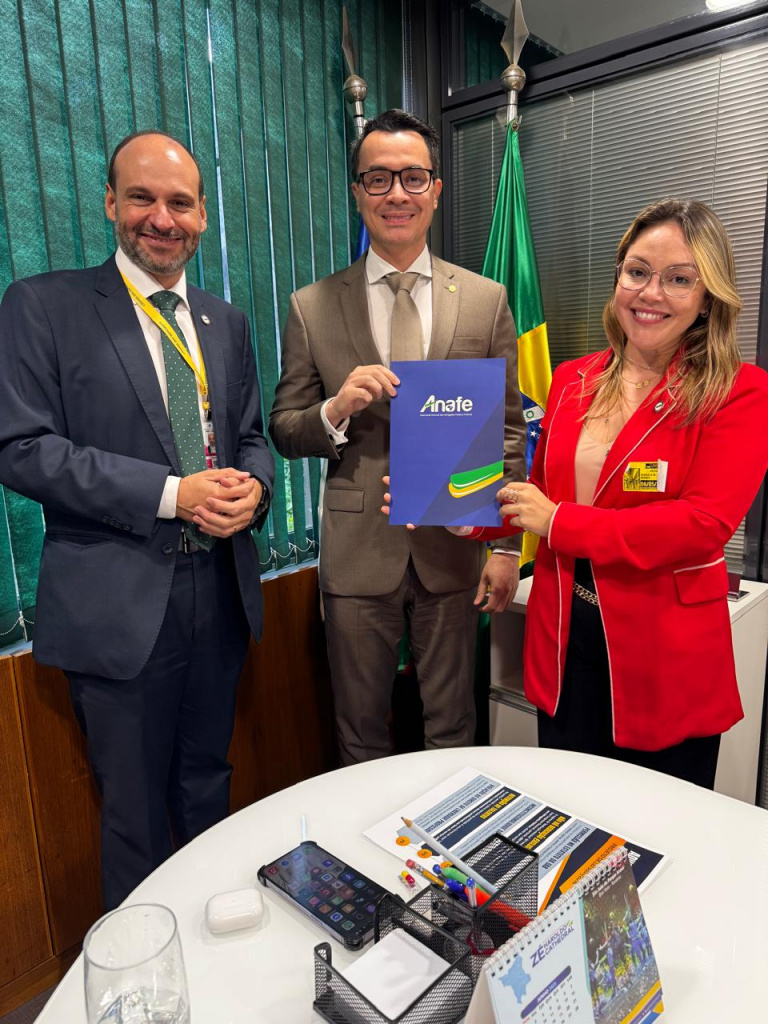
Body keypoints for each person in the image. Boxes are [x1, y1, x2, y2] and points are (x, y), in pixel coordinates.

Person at [0, 131, 274, 908]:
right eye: (142, 198)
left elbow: (250, 437)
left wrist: (254, 492)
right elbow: (20, 448)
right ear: (110, 203)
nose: (162, 218)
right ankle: (147, 960)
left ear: (202, 215)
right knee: (134, 814)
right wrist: (171, 493)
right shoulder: (43, 306)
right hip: (118, 607)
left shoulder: (226, 321)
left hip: (219, 592)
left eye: (180, 202)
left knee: (208, 783)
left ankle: (216, 940)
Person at [468, 198, 768, 789]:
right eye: (637, 272)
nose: (650, 293)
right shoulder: (571, 379)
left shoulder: (739, 391)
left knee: (657, 831)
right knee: (570, 814)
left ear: (708, 297)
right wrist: (460, 515)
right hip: (564, 640)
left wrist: (560, 523)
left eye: (679, 279)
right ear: (618, 277)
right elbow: (538, 494)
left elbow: (701, 524)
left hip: (663, 656)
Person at [270, 109, 527, 765]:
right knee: (358, 732)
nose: (396, 194)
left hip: (453, 547)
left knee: (453, 726)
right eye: (378, 178)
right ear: (358, 191)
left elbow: (507, 430)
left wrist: (505, 547)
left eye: (413, 177)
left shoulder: (486, 300)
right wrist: (335, 409)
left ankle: (448, 833)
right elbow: (285, 428)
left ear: (435, 189)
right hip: (359, 553)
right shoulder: (311, 306)